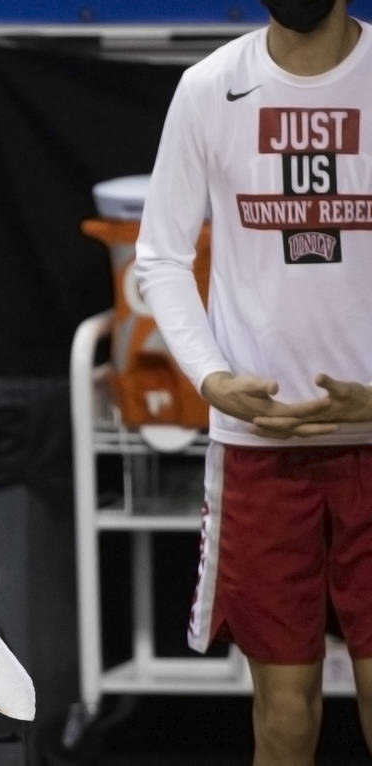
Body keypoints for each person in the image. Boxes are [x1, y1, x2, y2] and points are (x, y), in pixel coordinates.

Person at [135, 2, 372, 762]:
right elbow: (160, 257)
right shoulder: (211, 87)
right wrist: (210, 378)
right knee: (282, 714)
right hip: (259, 453)